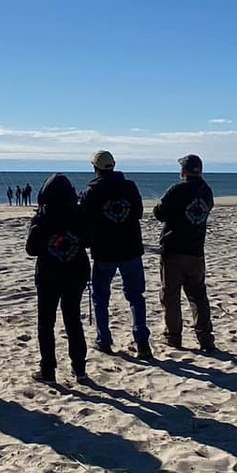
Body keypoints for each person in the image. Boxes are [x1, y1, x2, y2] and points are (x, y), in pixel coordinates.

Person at [81, 150, 151, 359]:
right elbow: (137, 212)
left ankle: (104, 339)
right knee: (135, 296)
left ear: (95, 168)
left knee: (102, 297)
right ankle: (142, 342)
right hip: (129, 248)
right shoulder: (129, 186)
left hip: (106, 251)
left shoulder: (92, 192)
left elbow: (85, 219)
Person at [25, 173, 89, 383]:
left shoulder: (43, 216)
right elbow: (88, 241)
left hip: (49, 275)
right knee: (73, 321)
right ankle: (79, 368)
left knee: (46, 323)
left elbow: (31, 249)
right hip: (75, 273)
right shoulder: (80, 214)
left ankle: (48, 369)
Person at [154, 154, 216, 352]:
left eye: (181, 168)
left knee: (170, 295)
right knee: (198, 296)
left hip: (174, 251)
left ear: (185, 171)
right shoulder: (206, 191)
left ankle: (173, 337)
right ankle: (205, 338)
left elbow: (159, 213)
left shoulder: (177, 189)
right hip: (196, 252)